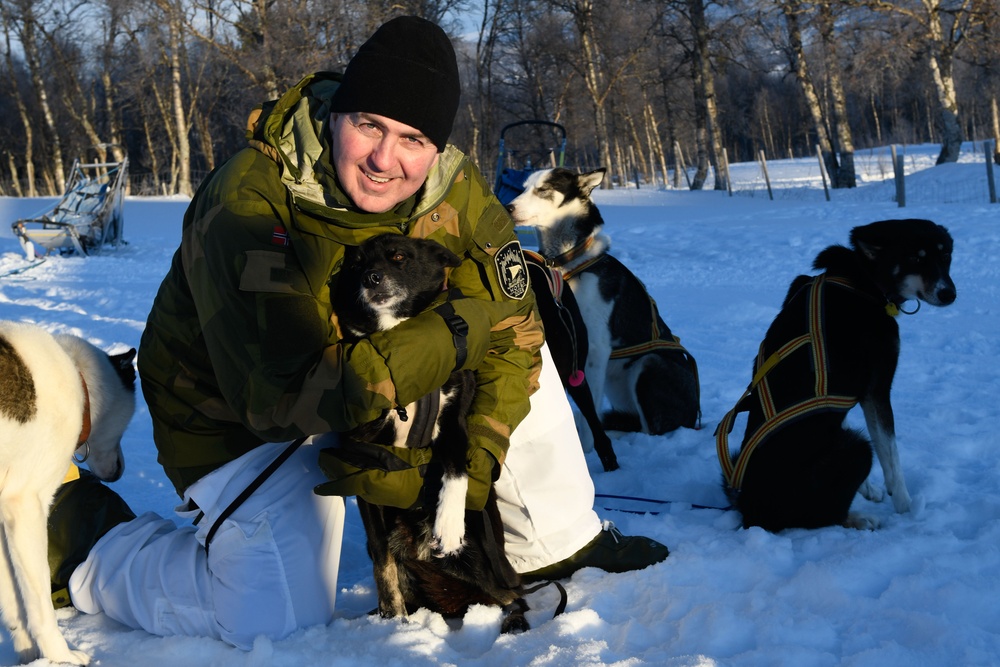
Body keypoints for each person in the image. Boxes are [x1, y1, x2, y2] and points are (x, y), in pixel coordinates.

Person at [55, 16, 668, 649]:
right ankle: (89, 543)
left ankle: (554, 543)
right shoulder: (249, 202)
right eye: (368, 125)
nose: (385, 159)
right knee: (273, 616)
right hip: (235, 418)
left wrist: (470, 468)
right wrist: (457, 338)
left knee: (519, 355)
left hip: (379, 386)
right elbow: (279, 398)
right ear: (336, 116)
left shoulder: (452, 185)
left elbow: (512, 332)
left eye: (412, 138)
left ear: (435, 147)